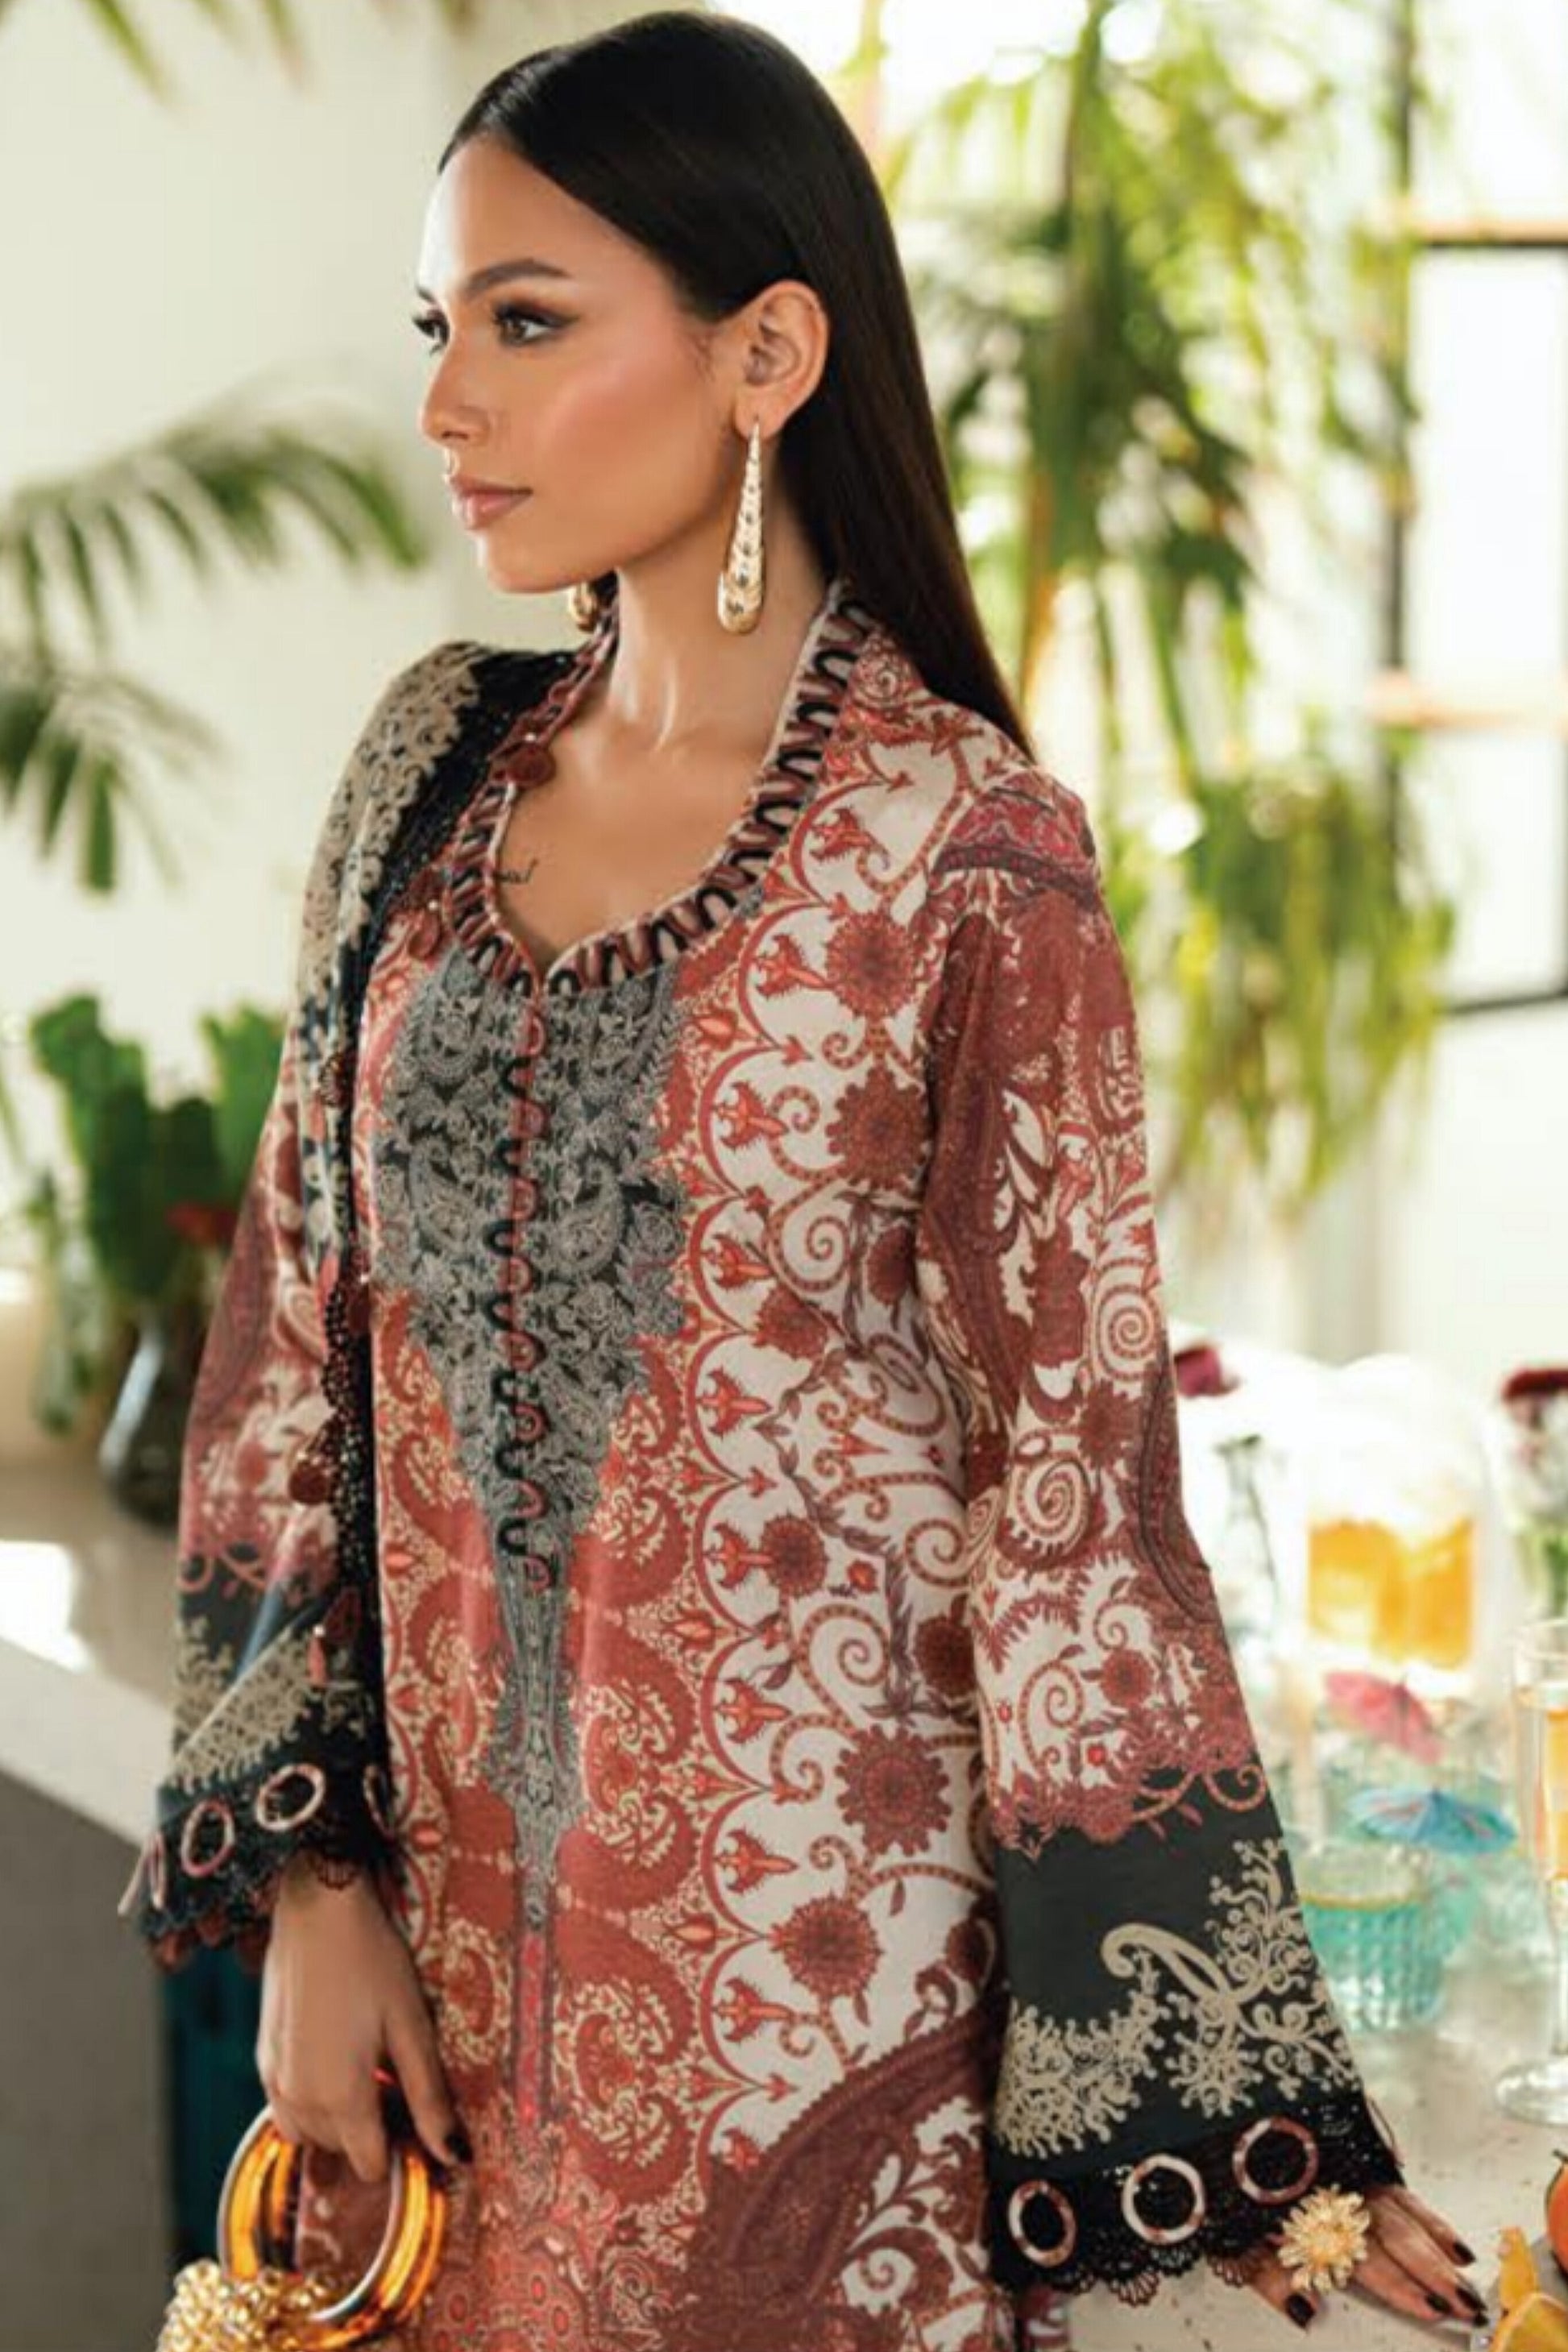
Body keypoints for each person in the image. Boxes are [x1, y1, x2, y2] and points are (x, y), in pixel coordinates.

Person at [118, 14, 1484, 2349]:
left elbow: (1074, 1505)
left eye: (525, 323)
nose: (446, 401)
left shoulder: (971, 861)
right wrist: (319, 1892)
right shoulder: (426, 778)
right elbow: (288, 1360)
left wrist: (1260, 2143)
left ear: (765, 354)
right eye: (439, 324)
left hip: (828, 2046)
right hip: (436, 2049)